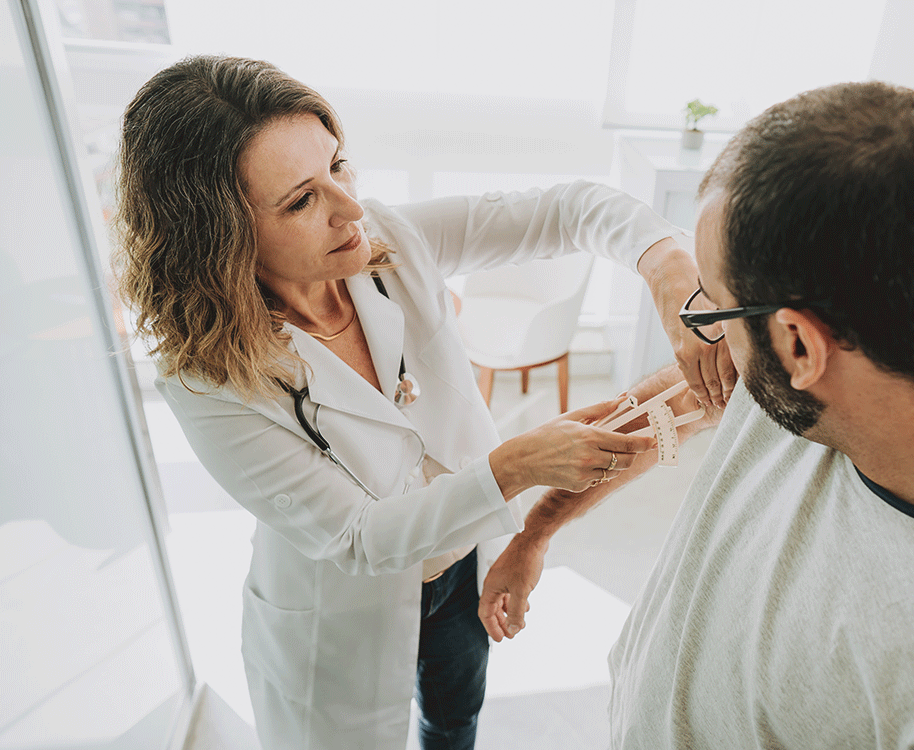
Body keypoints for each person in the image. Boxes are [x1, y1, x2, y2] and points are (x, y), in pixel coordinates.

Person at [479, 81, 914, 747]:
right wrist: (536, 534)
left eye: (714, 309)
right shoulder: (876, 336)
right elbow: (651, 418)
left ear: (800, 343)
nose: (706, 337)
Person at [111, 54, 728, 750]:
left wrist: (666, 263)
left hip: (460, 571)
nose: (351, 210)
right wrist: (514, 468)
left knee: (454, 718)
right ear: (218, 235)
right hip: (342, 610)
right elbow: (360, 537)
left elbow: (569, 210)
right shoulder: (206, 381)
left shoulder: (389, 239)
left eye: (338, 166)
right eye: (302, 200)